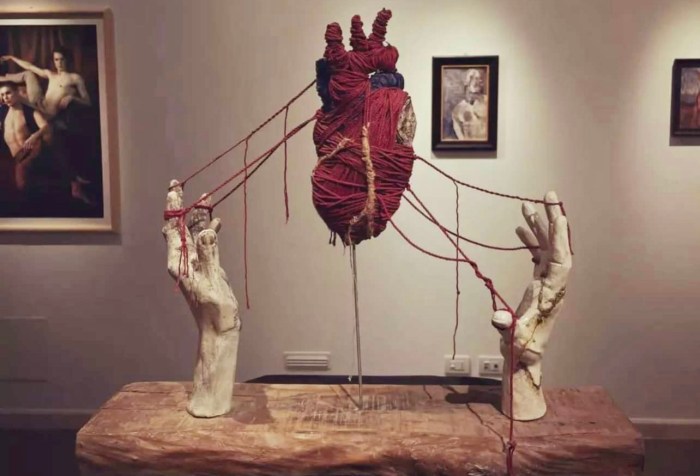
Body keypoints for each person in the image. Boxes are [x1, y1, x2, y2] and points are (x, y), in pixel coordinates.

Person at [0, 46, 91, 120]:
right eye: (56, 60)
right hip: (38, 102)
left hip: (46, 113)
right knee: (28, 74)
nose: (59, 63)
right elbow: (30, 66)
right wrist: (12, 58)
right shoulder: (51, 74)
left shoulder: (75, 78)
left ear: (67, 59)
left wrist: (72, 98)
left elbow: (87, 102)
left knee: (14, 93)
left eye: (62, 59)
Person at [0, 82, 49, 191]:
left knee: (21, 180)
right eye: (2, 95)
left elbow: (45, 126)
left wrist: (34, 136)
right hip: (15, 156)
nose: (5, 97)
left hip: (30, 151)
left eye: (8, 93)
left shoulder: (29, 111)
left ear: (17, 93)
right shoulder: (2, 112)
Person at [451, 68, 488, 141]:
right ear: (467, 82)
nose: (480, 81)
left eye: (480, 79)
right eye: (476, 78)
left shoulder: (487, 101)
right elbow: (461, 138)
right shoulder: (457, 109)